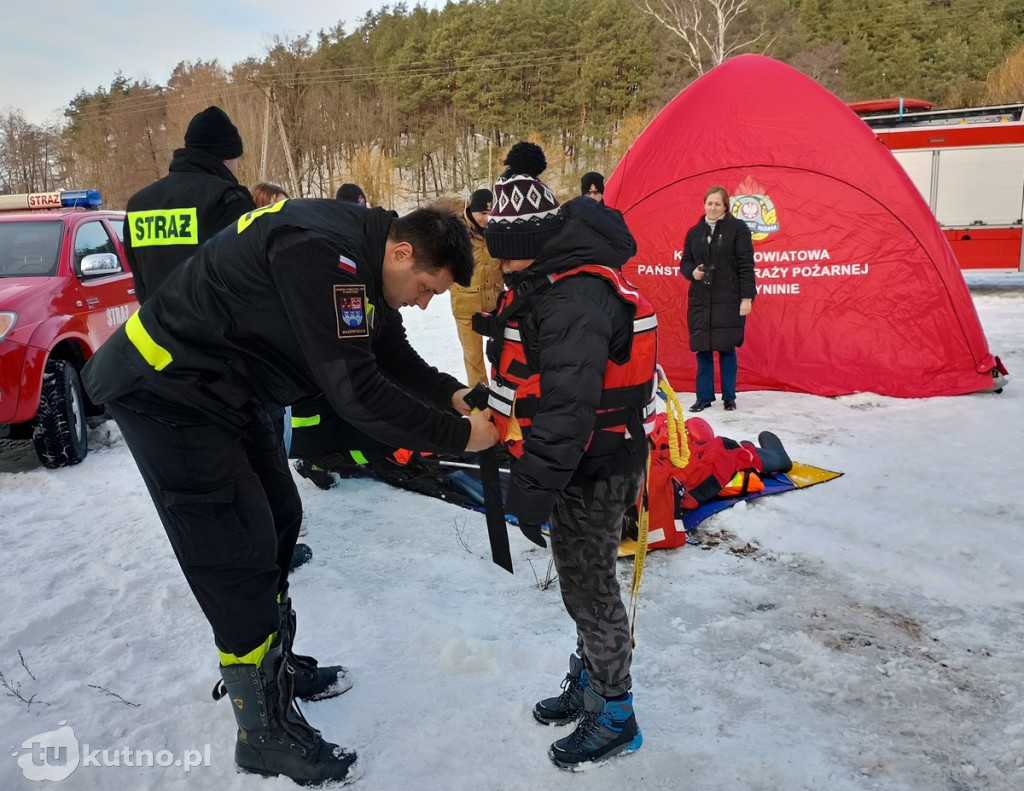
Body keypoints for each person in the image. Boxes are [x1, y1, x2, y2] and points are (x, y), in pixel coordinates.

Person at [81, 201, 499, 785]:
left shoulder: (364, 256)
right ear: (402, 253)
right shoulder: (321, 254)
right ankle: (264, 732)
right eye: (426, 287)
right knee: (234, 550)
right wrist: (460, 436)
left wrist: (453, 395)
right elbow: (357, 391)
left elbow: (387, 352)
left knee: (280, 515)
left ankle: (275, 668)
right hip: (167, 391)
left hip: (229, 389)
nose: (425, 301)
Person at [478, 142, 657, 769]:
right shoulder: (551, 281)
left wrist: (529, 491)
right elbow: (535, 377)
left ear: (540, 238)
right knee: (582, 584)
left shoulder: (574, 298)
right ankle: (590, 682)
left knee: (591, 587)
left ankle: (615, 712)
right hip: (584, 459)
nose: (504, 269)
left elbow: (568, 410)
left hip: (597, 463)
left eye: (510, 255)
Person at [123, 105, 255, 305]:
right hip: (216, 333)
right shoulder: (227, 199)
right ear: (227, 157)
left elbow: (141, 285)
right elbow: (248, 278)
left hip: (156, 330)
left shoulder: (138, 205)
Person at [679, 185, 755, 412]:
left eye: (717, 204)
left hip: (728, 298)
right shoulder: (694, 232)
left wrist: (747, 297)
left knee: (726, 348)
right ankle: (703, 397)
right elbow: (685, 262)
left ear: (725, 206)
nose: (712, 207)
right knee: (702, 350)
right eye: (709, 203)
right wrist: (692, 272)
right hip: (701, 299)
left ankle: (729, 397)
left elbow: (746, 265)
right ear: (704, 205)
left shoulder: (737, 229)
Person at [450, 188, 504, 385]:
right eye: (483, 213)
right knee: (474, 359)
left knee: (502, 354)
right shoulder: (457, 234)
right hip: (467, 308)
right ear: (471, 210)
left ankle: (502, 398)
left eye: (491, 212)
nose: (487, 218)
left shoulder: (498, 231)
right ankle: (481, 404)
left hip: (497, 306)